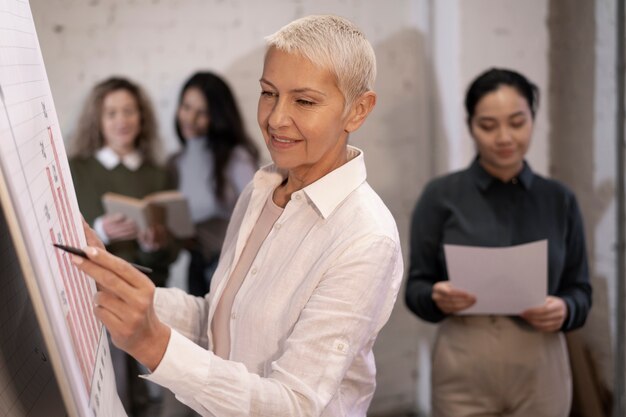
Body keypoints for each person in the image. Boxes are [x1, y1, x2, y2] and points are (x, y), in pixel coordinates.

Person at [72, 14, 403, 417]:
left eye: (304, 101)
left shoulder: (365, 237)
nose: (276, 118)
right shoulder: (261, 190)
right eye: (268, 93)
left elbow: (294, 405)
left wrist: (154, 346)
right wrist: (112, 282)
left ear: (359, 110)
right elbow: (218, 321)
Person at [404, 68, 592, 417]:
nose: (504, 137)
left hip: (541, 365)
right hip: (463, 364)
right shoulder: (441, 196)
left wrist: (566, 309)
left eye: (517, 122)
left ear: (533, 119)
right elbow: (415, 288)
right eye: (488, 126)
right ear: (471, 126)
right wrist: (435, 296)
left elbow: (580, 290)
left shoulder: (559, 199)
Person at [69, 76, 180, 416]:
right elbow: (61, 232)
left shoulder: (156, 174)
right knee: (107, 388)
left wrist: (153, 244)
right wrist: (101, 230)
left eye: (129, 111)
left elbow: (170, 255)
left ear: (141, 117)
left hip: (145, 293)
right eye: (112, 113)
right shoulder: (76, 169)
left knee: (147, 388)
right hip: (93, 294)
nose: (122, 120)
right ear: (98, 121)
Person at [168, 71, 258, 296]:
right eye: (186, 107)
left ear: (217, 116)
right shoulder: (174, 163)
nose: (190, 119)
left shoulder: (236, 158)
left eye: (202, 113)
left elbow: (257, 213)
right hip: (197, 266)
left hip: (231, 267)